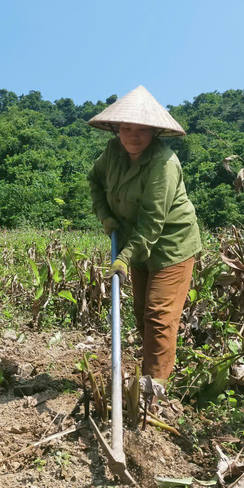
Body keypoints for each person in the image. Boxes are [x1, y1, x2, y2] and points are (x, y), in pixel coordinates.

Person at [86, 85, 202, 386]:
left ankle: (156, 389)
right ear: (117, 129)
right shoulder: (112, 152)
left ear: (154, 132)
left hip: (170, 246)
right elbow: (95, 181)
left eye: (141, 129)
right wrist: (106, 217)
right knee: (141, 313)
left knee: (159, 315)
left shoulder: (163, 164)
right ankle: (152, 370)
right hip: (134, 243)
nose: (133, 136)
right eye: (126, 128)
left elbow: (152, 223)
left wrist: (123, 257)